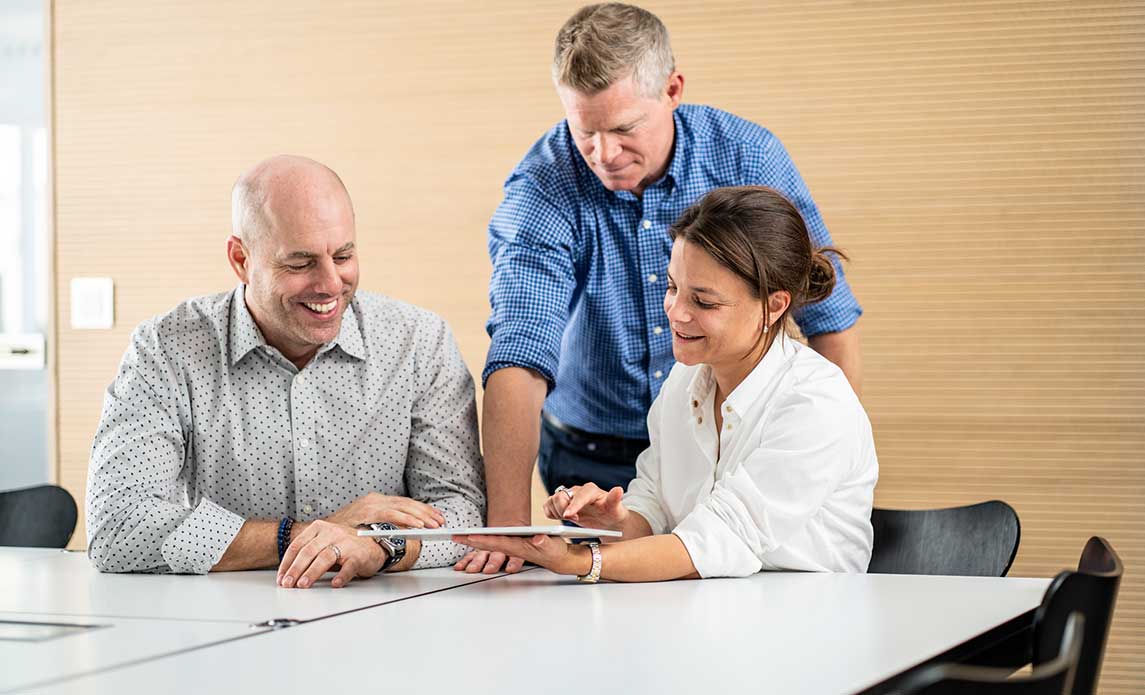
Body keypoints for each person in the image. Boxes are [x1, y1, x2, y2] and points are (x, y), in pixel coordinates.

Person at [459, 2, 864, 574]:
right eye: (585, 132)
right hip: (594, 444)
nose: (602, 154)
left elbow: (831, 321)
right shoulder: (544, 186)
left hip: (756, 442)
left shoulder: (746, 155)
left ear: (672, 89)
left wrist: (824, 457)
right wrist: (509, 537)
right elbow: (521, 352)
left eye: (624, 128)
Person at [86, 155, 485, 588]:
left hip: (387, 616)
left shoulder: (419, 342)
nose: (331, 283)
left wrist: (376, 545)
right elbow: (118, 527)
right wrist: (307, 536)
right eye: (300, 263)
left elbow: (462, 512)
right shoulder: (166, 349)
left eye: (344, 255)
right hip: (228, 624)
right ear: (241, 259)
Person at [457, 186, 877, 581]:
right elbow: (657, 504)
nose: (675, 312)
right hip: (707, 615)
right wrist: (618, 520)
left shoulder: (816, 402)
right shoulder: (686, 380)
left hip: (810, 623)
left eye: (704, 301)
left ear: (773, 306)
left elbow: (723, 538)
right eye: (673, 287)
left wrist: (577, 559)